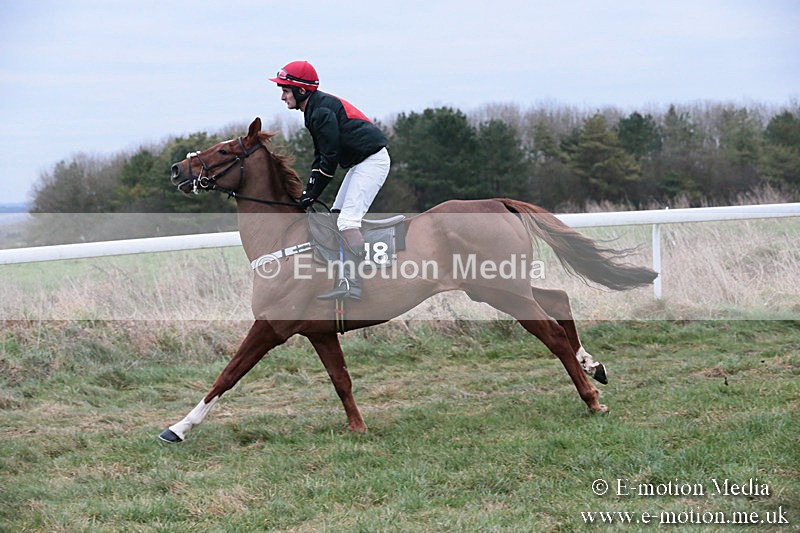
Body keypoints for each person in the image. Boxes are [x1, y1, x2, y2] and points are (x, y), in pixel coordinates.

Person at [269, 60, 390, 301]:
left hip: (372, 162)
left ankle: (359, 284)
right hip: (361, 163)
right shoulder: (314, 109)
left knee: (347, 222)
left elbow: (330, 158)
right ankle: (346, 277)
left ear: (301, 90)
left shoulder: (320, 111)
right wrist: (309, 192)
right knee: (335, 218)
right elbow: (321, 157)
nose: (282, 97)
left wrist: (312, 194)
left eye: (285, 90)